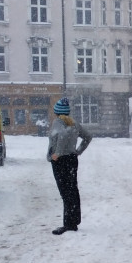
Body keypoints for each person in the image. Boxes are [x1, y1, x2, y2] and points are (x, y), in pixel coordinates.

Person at [46, 97, 92, 235]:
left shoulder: (58, 123)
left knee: (65, 192)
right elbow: (88, 136)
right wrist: (78, 151)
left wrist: (57, 153)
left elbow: (62, 135)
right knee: (72, 190)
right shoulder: (74, 123)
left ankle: (68, 224)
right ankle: (74, 220)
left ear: (57, 112)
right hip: (72, 160)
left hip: (61, 162)